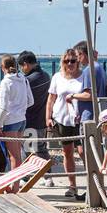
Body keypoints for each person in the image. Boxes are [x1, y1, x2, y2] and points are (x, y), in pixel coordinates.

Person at [46, 48, 85, 199]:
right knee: (67, 152)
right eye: (66, 61)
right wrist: (48, 118)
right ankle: (72, 185)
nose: (70, 64)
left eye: (73, 61)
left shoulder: (83, 76)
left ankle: (93, 182)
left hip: (79, 118)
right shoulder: (57, 77)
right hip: (62, 118)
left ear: (78, 61)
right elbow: (51, 99)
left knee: (83, 152)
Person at [0, 54, 34, 172]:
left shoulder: (6, 82)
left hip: (10, 122)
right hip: (22, 119)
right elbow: (31, 101)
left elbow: (3, 107)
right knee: (17, 155)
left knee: (13, 157)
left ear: (3, 67)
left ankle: (14, 187)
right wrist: (20, 108)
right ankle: (15, 184)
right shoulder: (23, 79)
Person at [18, 51, 51, 158]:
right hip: (41, 120)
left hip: (30, 121)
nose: (21, 70)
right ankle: (47, 173)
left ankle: (33, 174)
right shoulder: (46, 76)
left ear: (25, 64)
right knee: (41, 149)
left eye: (21, 66)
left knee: (29, 152)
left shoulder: (27, 80)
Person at [72, 40, 107, 125]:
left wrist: (72, 96)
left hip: (89, 116)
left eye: (78, 55)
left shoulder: (89, 70)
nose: (78, 60)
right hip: (99, 114)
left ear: (83, 54)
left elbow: (89, 95)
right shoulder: (99, 67)